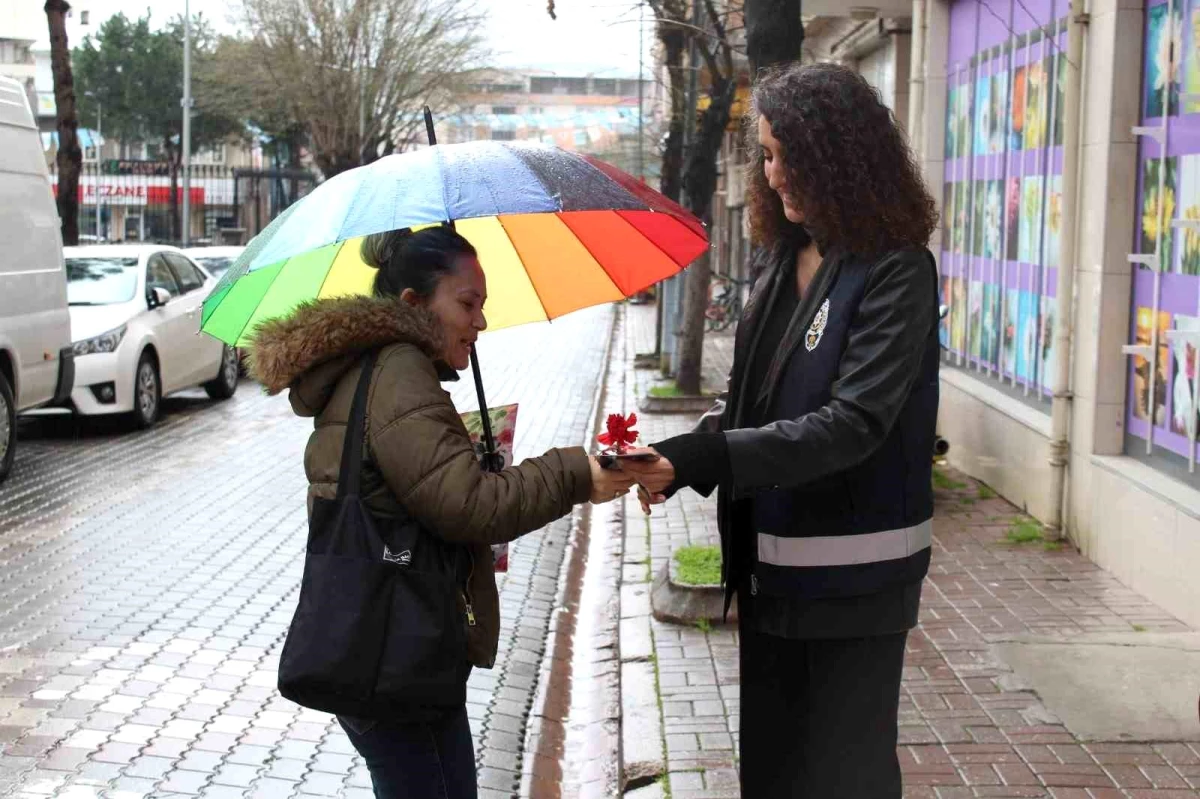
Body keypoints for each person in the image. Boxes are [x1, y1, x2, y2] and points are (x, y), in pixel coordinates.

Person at [621, 62, 941, 797]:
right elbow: (755, 411)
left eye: (785, 155)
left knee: (846, 776)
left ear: (839, 155)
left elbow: (852, 423)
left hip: (856, 582)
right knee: (774, 772)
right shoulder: (784, 257)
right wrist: (680, 459)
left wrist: (709, 453)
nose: (774, 174)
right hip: (772, 572)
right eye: (766, 154)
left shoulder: (896, 271)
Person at [250, 226, 635, 799]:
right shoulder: (398, 369)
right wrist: (576, 472)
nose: (480, 321)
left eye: (482, 305)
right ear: (412, 304)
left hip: (394, 649)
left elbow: (432, 486)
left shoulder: (382, 366)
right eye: (466, 303)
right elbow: (469, 506)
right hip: (394, 655)